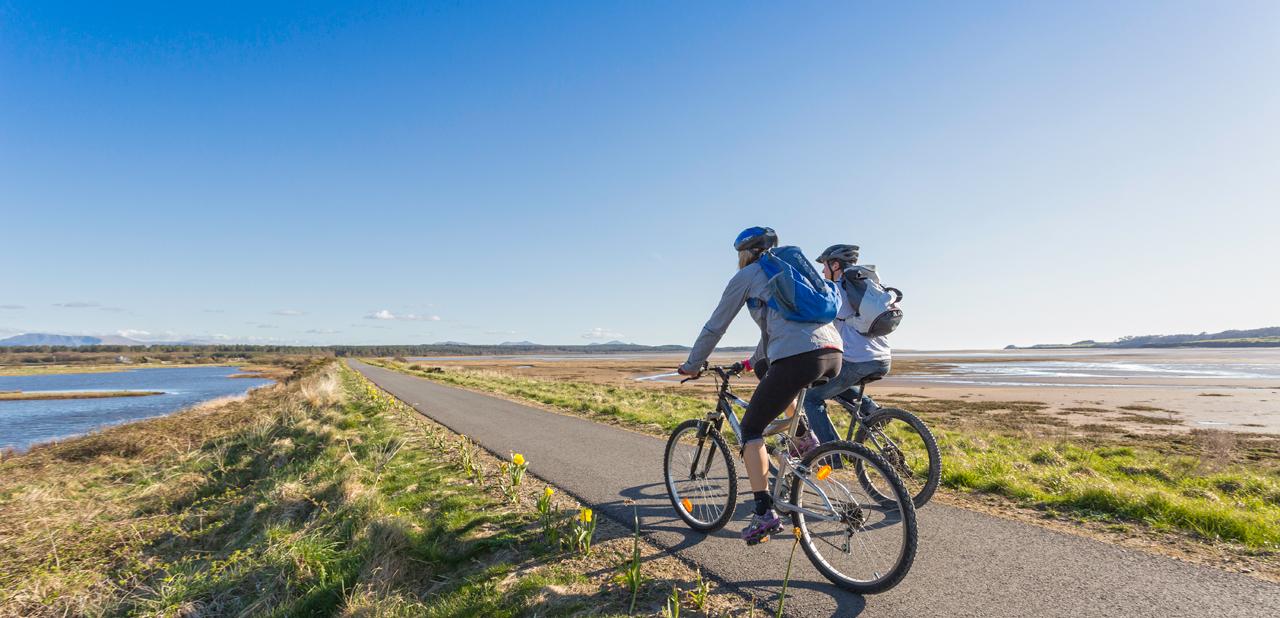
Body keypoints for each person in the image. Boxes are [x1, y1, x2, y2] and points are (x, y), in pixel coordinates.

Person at [677, 227, 843, 545]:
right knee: (769, 372)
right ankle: (802, 438)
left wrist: (693, 364)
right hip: (832, 354)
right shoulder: (792, 273)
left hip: (799, 357)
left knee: (751, 429)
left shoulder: (749, 275)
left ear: (744, 253)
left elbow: (716, 325)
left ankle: (764, 512)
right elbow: (778, 329)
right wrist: (750, 362)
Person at [801, 244, 892, 446]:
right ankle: (873, 410)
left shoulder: (838, 290)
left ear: (835, 265)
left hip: (858, 360)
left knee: (811, 399)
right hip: (882, 358)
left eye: (825, 266)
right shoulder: (866, 288)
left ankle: (833, 453)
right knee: (832, 382)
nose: (823, 271)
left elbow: (817, 323)